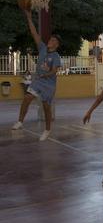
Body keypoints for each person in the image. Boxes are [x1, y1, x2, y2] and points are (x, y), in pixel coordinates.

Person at [11, 9, 62, 141]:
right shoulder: (43, 48)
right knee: (27, 98)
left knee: (46, 107)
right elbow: (34, 32)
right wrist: (29, 17)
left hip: (49, 84)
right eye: (51, 39)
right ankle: (20, 122)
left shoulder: (56, 56)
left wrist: (47, 74)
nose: (51, 41)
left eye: (53, 40)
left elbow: (55, 71)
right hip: (38, 80)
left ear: (57, 45)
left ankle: (47, 130)